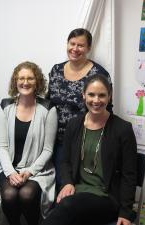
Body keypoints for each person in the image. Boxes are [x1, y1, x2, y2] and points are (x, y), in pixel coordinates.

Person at [41, 74, 137, 225]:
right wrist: (67, 182)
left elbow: (129, 174)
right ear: (83, 95)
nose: (96, 100)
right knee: (65, 210)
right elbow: (64, 161)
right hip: (76, 190)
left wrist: (126, 212)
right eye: (91, 94)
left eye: (102, 95)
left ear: (109, 96)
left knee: (66, 207)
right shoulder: (74, 124)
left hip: (105, 197)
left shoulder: (123, 129)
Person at [0, 61, 57, 225]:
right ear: (15, 81)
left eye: (30, 78)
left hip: (37, 171)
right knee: (9, 195)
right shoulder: (5, 106)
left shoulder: (48, 109)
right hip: (8, 168)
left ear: (37, 81)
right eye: (21, 78)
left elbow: (48, 150)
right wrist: (11, 173)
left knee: (26, 195)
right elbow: (2, 147)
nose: (25, 82)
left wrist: (28, 172)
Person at [46, 28, 112, 193]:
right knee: (49, 187)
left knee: (69, 188)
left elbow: (107, 108)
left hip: (81, 142)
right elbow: (48, 102)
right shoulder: (56, 70)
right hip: (53, 139)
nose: (75, 49)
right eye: (72, 43)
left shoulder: (99, 74)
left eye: (80, 45)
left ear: (89, 48)